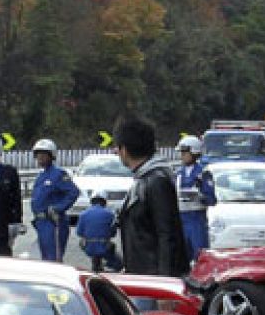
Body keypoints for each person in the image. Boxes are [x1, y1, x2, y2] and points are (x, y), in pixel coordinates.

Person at [114, 116, 188, 277]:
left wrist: (165, 283)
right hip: (142, 273)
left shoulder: (156, 181)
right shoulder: (144, 179)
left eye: (117, 148)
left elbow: (167, 235)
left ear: (124, 150)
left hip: (153, 278)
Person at [29, 138, 79, 262]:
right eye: (38, 154)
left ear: (52, 156)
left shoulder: (58, 174)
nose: (40, 157)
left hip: (53, 223)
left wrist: (58, 208)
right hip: (41, 223)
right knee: (45, 259)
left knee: (54, 259)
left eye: (44, 154)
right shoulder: (41, 176)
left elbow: (73, 192)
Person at [174, 135, 216, 261]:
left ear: (194, 152)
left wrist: (199, 195)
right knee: (180, 257)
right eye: (181, 152)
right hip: (181, 219)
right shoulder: (178, 173)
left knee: (200, 256)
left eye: (184, 152)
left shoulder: (203, 173)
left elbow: (212, 199)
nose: (182, 155)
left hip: (196, 219)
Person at [76, 190, 122, 273]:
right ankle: (109, 267)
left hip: (88, 247)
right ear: (104, 201)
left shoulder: (83, 214)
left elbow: (79, 232)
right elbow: (113, 233)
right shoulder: (110, 214)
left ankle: (97, 265)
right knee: (119, 264)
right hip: (105, 247)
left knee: (90, 249)